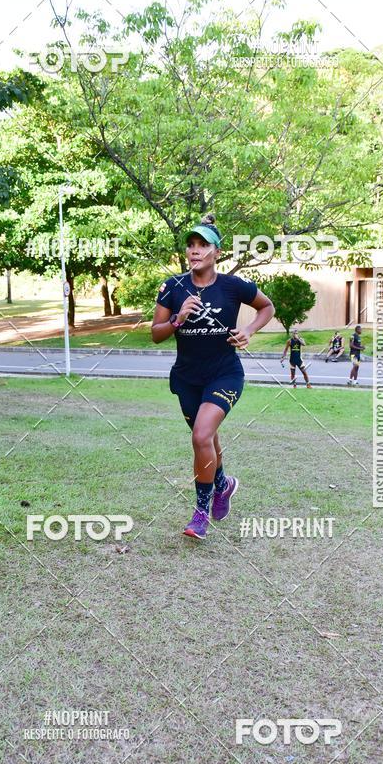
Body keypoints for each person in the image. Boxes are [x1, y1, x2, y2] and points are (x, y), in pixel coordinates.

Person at [151, 214, 275, 539]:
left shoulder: (233, 286)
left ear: (216, 251)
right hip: (187, 378)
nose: (194, 250)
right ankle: (223, 484)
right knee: (207, 438)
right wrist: (178, 319)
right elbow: (156, 333)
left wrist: (248, 330)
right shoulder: (173, 287)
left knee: (201, 436)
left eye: (202, 245)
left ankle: (200, 513)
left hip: (224, 373)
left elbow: (267, 307)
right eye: (191, 245)